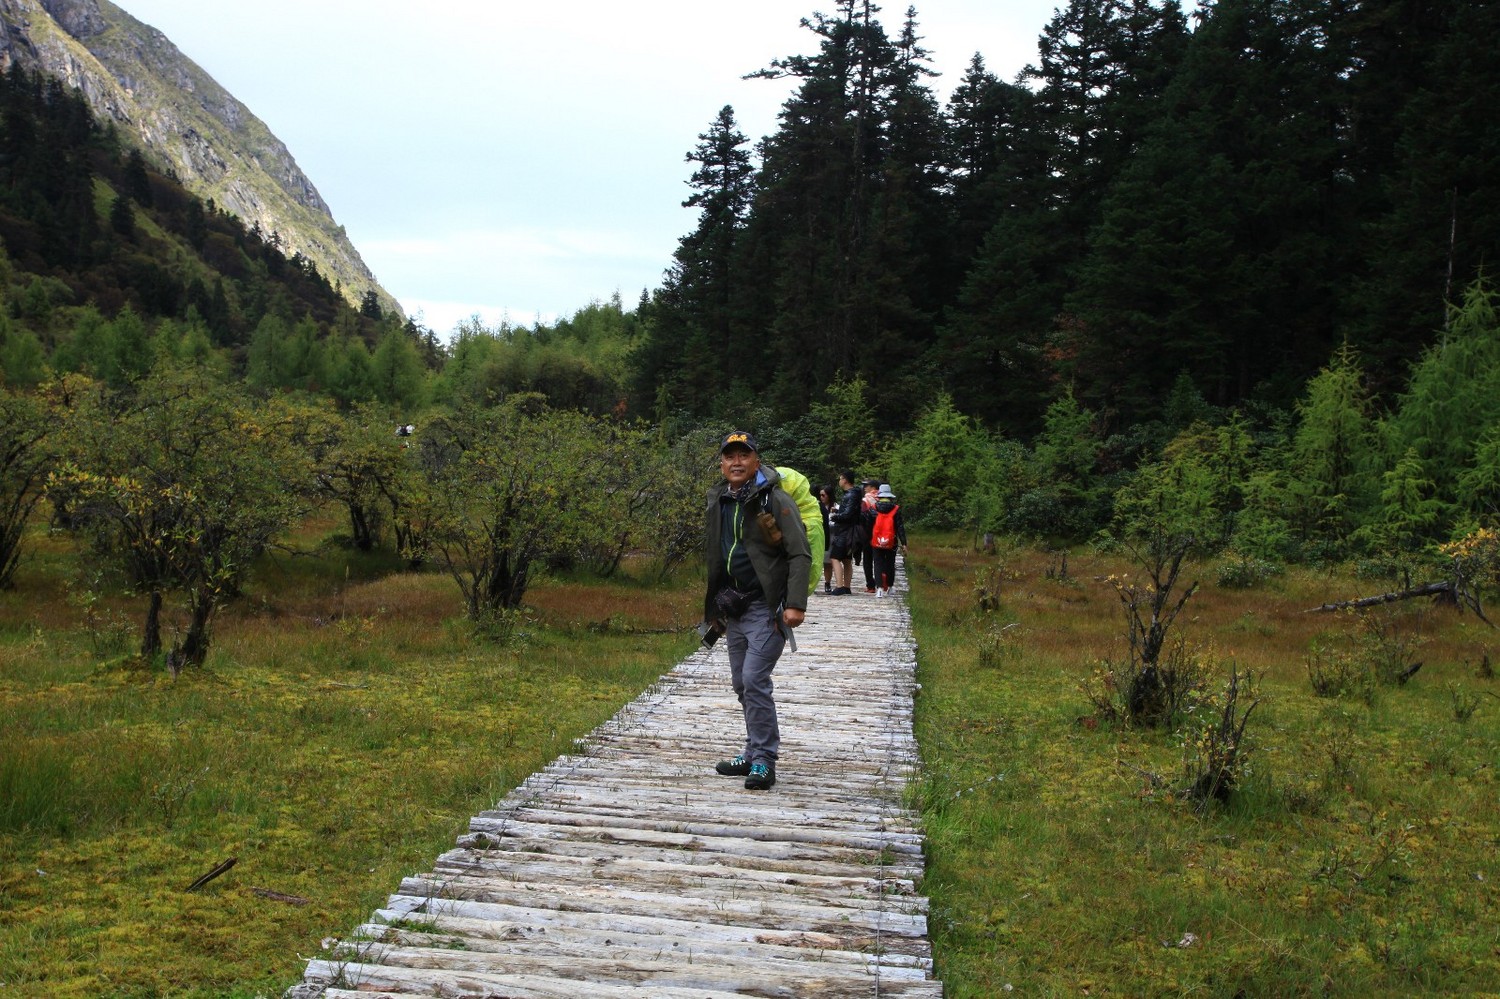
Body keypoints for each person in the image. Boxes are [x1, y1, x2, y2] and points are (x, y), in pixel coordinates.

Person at [703, 431, 810, 790]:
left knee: (754, 680)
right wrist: (714, 606)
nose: (736, 462)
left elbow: (800, 552)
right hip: (733, 607)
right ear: (721, 463)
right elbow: (717, 557)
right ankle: (750, 752)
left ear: (756, 460)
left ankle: (764, 761)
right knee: (740, 683)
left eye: (743, 455)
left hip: (767, 608)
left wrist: (795, 604)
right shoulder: (719, 500)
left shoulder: (775, 500)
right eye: (729, 456)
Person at [867, 483, 907, 598]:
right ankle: (890, 587)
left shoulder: (873, 509)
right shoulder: (896, 509)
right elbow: (900, 527)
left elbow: (869, 527)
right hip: (891, 541)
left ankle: (879, 588)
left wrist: (870, 539)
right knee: (890, 563)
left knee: (878, 563)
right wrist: (904, 543)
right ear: (890, 496)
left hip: (876, 541)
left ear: (879, 495)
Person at [826, 470, 862, 595]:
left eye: (840, 479)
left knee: (835, 558)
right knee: (847, 559)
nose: (839, 481)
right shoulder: (854, 494)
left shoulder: (850, 495)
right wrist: (838, 510)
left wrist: (834, 516)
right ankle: (847, 586)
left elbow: (847, 514)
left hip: (845, 531)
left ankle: (840, 586)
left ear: (845, 480)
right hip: (850, 530)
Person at [858, 479, 880, 593]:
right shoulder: (884, 499)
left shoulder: (866, 500)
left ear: (873, 487)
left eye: (866, 485)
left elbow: (862, 517)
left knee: (867, 560)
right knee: (879, 559)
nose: (864, 487)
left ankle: (870, 585)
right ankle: (881, 582)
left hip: (868, 534)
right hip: (882, 533)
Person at [816, 484, 836, 594]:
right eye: (820, 495)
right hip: (820, 535)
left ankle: (827, 582)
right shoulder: (817, 506)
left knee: (828, 563)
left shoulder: (835, 507)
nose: (821, 497)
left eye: (823, 495)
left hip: (831, 536)